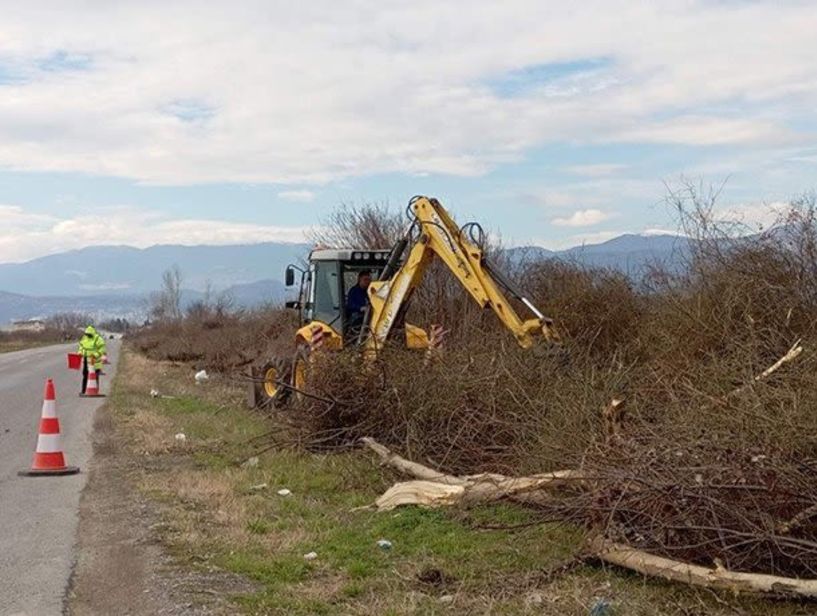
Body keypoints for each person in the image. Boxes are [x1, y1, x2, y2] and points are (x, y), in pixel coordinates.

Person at [77, 325, 106, 394]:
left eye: (89, 334)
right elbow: (81, 346)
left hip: (95, 360)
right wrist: (80, 352)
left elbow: (102, 348)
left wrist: (96, 354)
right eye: (87, 334)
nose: (88, 335)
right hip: (86, 359)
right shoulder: (84, 338)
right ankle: (83, 391)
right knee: (85, 375)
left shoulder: (98, 339)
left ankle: (95, 391)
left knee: (95, 376)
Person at [346, 270, 372, 335]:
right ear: (359, 279)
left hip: (368, 315)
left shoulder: (370, 292)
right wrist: (360, 308)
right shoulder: (354, 291)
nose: (367, 282)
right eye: (365, 279)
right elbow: (350, 305)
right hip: (356, 315)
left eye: (369, 280)